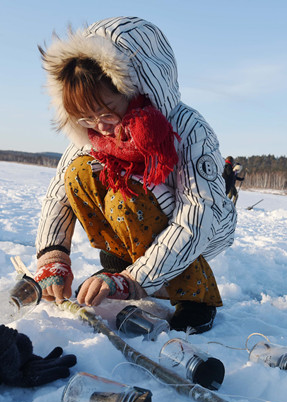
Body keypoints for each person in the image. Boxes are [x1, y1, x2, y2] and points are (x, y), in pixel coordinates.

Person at [33, 17, 237, 333]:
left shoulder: (188, 130)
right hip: (145, 219)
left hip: (203, 226)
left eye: (106, 111)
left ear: (135, 87)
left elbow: (197, 216)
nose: (99, 126)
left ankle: (196, 295)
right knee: (80, 172)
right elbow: (60, 191)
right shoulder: (94, 134)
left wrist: (133, 281)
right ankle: (121, 258)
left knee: (129, 189)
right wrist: (53, 255)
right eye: (86, 118)